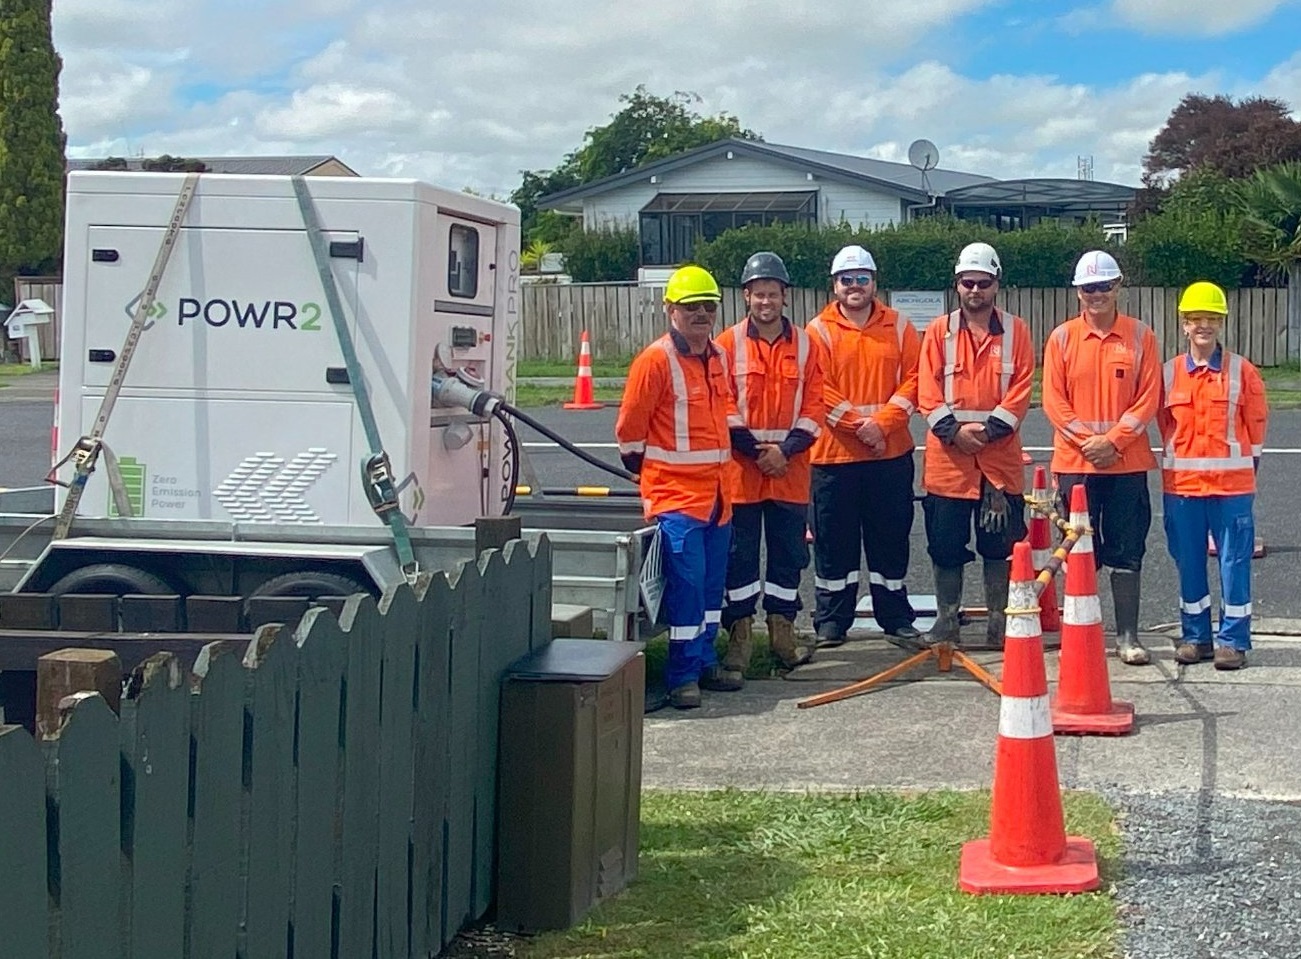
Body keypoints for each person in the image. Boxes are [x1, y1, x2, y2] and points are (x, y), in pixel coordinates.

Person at [615, 264, 739, 710]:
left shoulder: (719, 356)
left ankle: (705, 662)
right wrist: (648, 475)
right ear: (671, 309)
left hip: (719, 498)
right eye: (691, 308)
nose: (701, 314)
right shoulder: (655, 360)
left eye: (708, 306)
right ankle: (682, 677)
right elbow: (630, 430)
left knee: (709, 590)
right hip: (677, 499)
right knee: (686, 589)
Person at [1042, 250, 1161, 665]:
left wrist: (1113, 440)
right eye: (1089, 288)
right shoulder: (1061, 338)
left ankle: (1127, 637)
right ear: (1078, 292)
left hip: (1126, 464)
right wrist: (1088, 441)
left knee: (1128, 549)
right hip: (1076, 466)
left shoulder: (1141, 336)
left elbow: (1149, 398)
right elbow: (1054, 402)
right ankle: (1080, 635)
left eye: (1104, 287)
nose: (1097, 294)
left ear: (1118, 287)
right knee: (1078, 552)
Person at [918, 242, 1034, 647]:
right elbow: (927, 391)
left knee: (999, 546)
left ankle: (999, 625)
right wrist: (955, 432)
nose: (975, 290)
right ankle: (947, 622)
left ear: (996, 284)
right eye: (968, 282)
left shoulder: (1018, 332)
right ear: (957, 285)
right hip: (948, 466)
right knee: (945, 546)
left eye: (983, 283)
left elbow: (1020, 392)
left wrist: (984, 435)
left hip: (998, 465)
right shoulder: (938, 332)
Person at [715, 251, 824, 678]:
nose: (766, 302)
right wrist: (758, 452)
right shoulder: (726, 344)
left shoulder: (807, 345)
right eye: (759, 294)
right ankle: (739, 640)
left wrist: (786, 451)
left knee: (788, 557)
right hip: (742, 471)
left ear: (785, 296)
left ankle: (783, 633)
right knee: (739, 560)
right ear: (746, 296)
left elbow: (815, 405)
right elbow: (721, 406)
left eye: (773, 294)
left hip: (790, 470)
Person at [807, 245, 921, 646]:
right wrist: (862, 427)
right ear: (834, 285)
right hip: (834, 458)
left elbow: (915, 381)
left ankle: (895, 616)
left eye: (862, 279)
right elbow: (817, 389)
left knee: (890, 540)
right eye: (846, 280)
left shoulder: (900, 327)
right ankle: (832, 621)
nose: (854, 287)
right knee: (833, 545)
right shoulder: (816, 331)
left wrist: (883, 425)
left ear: (874, 282)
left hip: (889, 456)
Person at [1158, 281, 1268, 670]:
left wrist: (1244, 474)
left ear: (1221, 323)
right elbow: (1164, 425)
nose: (1203, 325)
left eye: (1211, 319)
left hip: (1232, 489)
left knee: (1234, 563)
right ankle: (1196, 637)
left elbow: (1255, 429)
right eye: (1196, 319)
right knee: (1188, 562)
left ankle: (1233, 641)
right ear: (1184, 325)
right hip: (1183, 489)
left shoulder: (1243, 372)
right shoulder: (1168, 374)